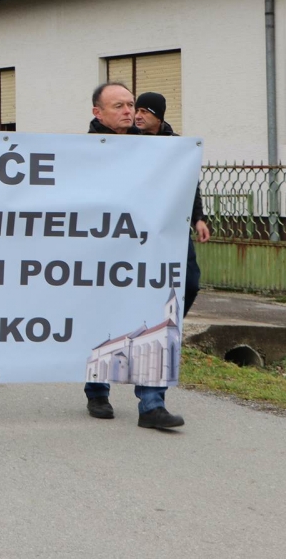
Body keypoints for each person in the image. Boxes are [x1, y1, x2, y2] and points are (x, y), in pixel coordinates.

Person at [84, 81, 184, 430]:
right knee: (104, 316)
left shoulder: (160, 148)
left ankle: (152, 405)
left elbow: (183, 188)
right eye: (119, 106)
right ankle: (97, 389)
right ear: (97, 113)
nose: (129, 111)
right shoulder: (83, 151)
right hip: (103, 250)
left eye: (131, 104)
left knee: (156, 318)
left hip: (149, 249)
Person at [134, 92, 211, 316]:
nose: (137, 116)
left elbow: (189, 183)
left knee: (190, 281)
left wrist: (198, 218)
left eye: (144, 111)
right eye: (136, 110)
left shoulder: (177, 146)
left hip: (172, 224)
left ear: (159, 116)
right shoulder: (128, 141)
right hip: (137, 224)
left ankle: (171, 324)